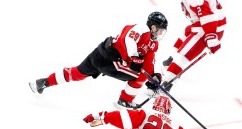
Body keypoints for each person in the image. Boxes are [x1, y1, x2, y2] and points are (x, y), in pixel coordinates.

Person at [29, 12, 167, 109]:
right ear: (153, 26)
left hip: (100, 55)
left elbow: (149, 62)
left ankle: (43, 83)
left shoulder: (153, 44)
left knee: (77, 73)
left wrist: (153, 76)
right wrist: (135, 59)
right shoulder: (142, 29)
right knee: (139, 76)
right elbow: (127, 39)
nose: (160, 34)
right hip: (111, 58)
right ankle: (124, 101)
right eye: (160, 30)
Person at [153, 0, 227, 91]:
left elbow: (208, 19)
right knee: (185, 32)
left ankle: (166, 83)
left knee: (183, 56)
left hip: (212, 27)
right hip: (203, 24)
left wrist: (211, 38)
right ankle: (172, 60)